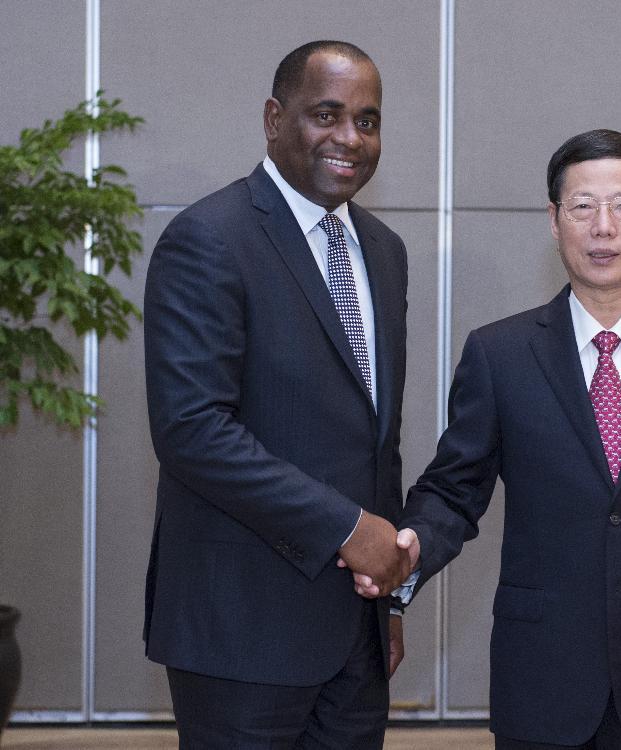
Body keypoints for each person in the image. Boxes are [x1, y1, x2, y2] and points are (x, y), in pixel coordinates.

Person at [359, 129, 621, 748]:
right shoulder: (499, 354)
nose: (603, 227)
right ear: (555, 221)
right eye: (582, 207)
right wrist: (406, 552)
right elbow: (454, 490)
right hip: (542, 676)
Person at [143, 40, 413, 749]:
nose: (350, 138)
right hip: (241, 634)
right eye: (327, 114)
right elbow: (194, 431)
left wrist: (390, 599)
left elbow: (376, 439)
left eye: (367, 120)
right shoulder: (208, 238)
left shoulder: (384, 252)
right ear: (273, 117)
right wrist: (350, 531)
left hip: (354, 638)